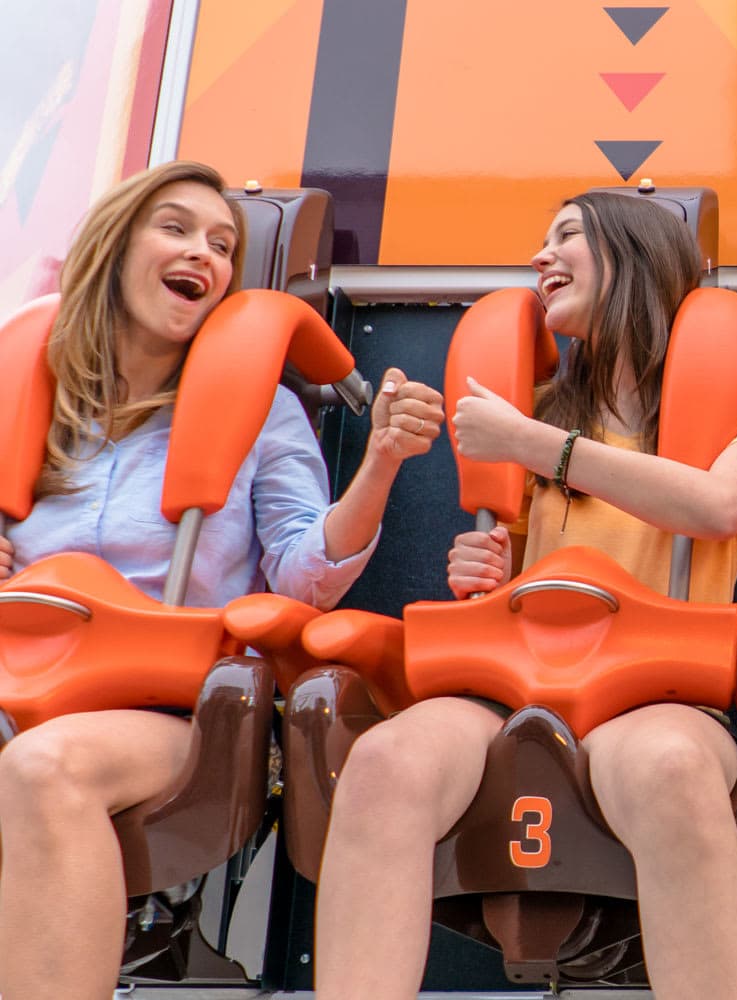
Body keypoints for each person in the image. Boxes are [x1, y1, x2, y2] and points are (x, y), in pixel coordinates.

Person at [313, 190, 737, 1000]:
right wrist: (489, 573)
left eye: (567, 235)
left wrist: (535, 444)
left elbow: (718, 506)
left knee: (674, 768)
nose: (541, 256)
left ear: (634, 255)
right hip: (515, 685)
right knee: (385, 761)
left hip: (658, 692)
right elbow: (518, 570)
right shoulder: (533, 415)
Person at [0, 160, 443, 1000]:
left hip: (169, 713)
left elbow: (306, 574)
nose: (202, 252)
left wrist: (380, 463)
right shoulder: (22, 396)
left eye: (223, 244)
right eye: (176, 229)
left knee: (41, 768)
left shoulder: (261, 409)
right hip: (16, 688)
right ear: (113, 247)